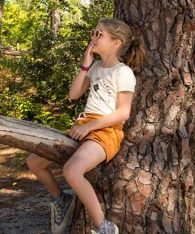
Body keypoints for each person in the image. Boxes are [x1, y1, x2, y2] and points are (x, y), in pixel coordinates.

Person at [26, 18, 146, 234]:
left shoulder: (123, 72)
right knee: (34, 161)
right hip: (83, 128)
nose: (93, 37)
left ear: (116, 43)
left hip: (105, 132)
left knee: (72, 171)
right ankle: (61, 199)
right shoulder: (97, 67)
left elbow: (123, 113)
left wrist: (90, 127)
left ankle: (105, 227)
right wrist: (86, 64)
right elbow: (73, 95)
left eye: (100, 34)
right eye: (94, 32)